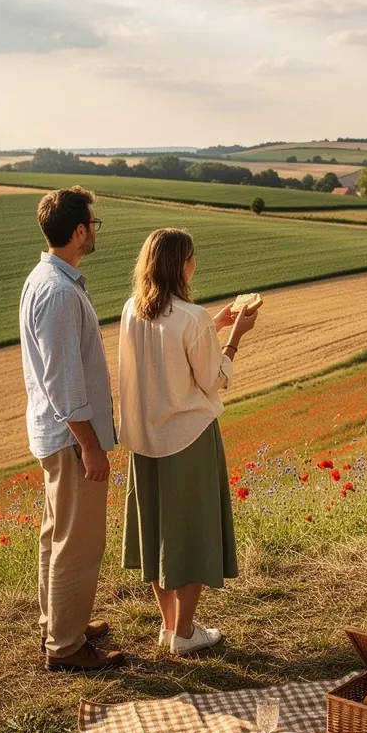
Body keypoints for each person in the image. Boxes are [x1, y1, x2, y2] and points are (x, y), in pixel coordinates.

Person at [118, 228, 258, 656]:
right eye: (191, 257)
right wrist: (235, 338)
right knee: (193, 532)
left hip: (145, 439)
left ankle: (169, 627)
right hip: (189, 437)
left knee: (160, 531)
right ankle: (184, 633)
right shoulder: (191, 318)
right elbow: (214, 380)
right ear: (181, 265)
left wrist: (213, 324)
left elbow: (165, 352)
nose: (194, 264)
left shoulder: (132, 311)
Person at [19, 186, 124, 673]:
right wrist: (91, 446)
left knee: (55, 535)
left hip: (52, 432)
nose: (94, 232)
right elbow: (64, 381)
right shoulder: (60, 293)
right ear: (79, 231)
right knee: (78, 542)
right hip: (70, 438)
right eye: (93, 225)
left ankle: (58, 623)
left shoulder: (44, 278)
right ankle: (65, 646)